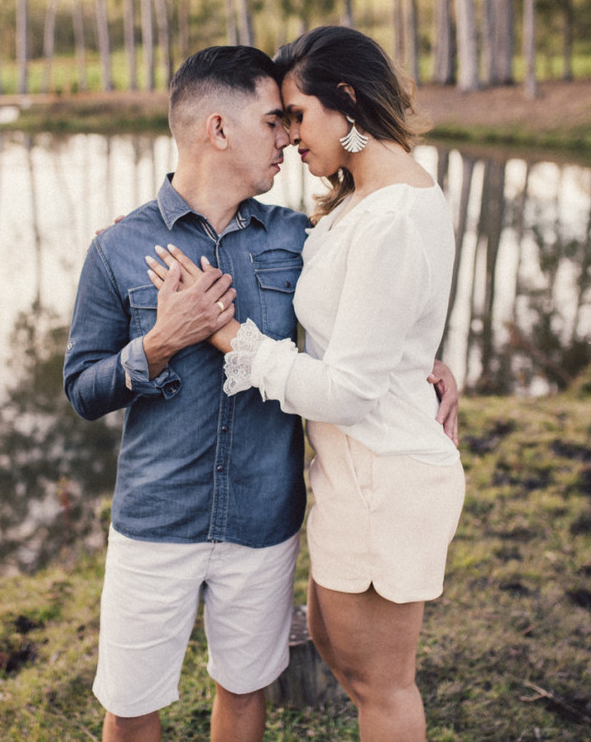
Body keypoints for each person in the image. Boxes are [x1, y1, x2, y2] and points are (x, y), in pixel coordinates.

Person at [64, 44, 457, 742]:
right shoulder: (120, 248)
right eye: (275, 121)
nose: (286, 137)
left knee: (247, 692)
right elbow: (83, 390)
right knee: (130, 706)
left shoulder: (296, 236)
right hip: (155, 519)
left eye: (293, 119)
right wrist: (158, 341)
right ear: (219, 129)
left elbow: (374, 301)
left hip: (262, 520)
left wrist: (426, 360)